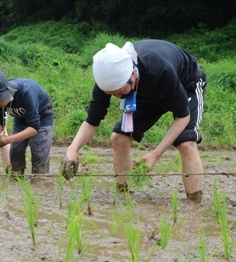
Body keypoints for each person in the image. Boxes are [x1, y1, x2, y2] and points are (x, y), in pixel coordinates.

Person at [61, 40, 207, 203]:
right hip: (144, 92)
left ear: (132, 74)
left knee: (186, 143)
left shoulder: (158, 67)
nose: (117, 96)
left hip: (186, 84)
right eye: (112, 94)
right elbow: (92, 121)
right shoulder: (108, 80)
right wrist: (73, 149)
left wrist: (155, 154)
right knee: (119, 138)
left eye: (119, 92)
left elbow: (183, 116)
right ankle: (124, 198)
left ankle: (195, 205)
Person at [0, 70, 54, 183]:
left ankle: (39, 180)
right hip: (20, 118)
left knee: (39, 151)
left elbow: (34, 127)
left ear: (7, 92)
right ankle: (16, 179)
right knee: (15, 150)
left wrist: (7, 140)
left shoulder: (27, 92)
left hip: (42, 119)